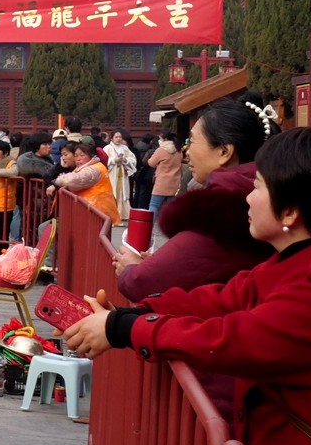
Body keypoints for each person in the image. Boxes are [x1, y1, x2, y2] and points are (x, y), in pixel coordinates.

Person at [65, 126, 311, 445]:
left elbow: (236, 337)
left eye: (257, 188)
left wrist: (124, 329)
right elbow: (222, 299)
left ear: (290, 211)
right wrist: (129, 318)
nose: (248, 199)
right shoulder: (297, 262)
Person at [115, 97, 272, 302]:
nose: (187, 149)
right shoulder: (260, 194)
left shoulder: (221, 212)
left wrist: (131, 269)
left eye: (192, 140)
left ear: (224, 152)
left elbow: (142, 282)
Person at [48, 141, 117, 224]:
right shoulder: (83, 167)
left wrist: (56, 182)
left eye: (82, 155)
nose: (78, 158)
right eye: (76, 155)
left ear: (91, 156)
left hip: (97, 211)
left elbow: (72, 179)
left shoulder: (93, 169)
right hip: (91, 211)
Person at [145, 133, 184, 218]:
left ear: (165, 139)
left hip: (162, 183)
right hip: (175, 182)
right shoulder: (178, 150)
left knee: (154, 205)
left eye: (160, 138)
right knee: (171, 207)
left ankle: (149, 227)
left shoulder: (161, 150)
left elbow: (151, 163)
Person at [103, 130, 137, 226]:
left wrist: (125, 160)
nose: (118, 139)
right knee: (113, 193)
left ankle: (122, 215)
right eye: (116, 137)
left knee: (122, 194)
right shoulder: (107, 148)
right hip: (112, 174)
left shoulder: (125, 148)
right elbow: (104, 160)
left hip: (122, 174)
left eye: (120, 137)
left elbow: (133, 159)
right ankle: (112, 216)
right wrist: (114, 160)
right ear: (112, 138)